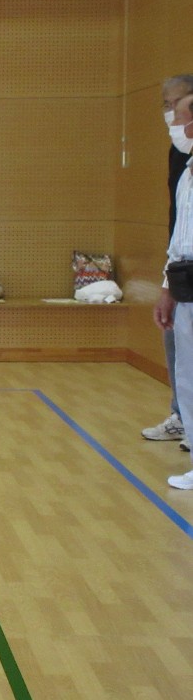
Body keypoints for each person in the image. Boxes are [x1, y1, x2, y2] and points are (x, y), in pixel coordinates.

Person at [144, 75, 193, 449]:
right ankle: (185, 423)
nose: (172, 119)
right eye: (167, 106)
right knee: (184, 362)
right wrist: (167, 283)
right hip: (183, 274)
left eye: (177, 108)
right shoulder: (183, 168)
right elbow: (180, 230)